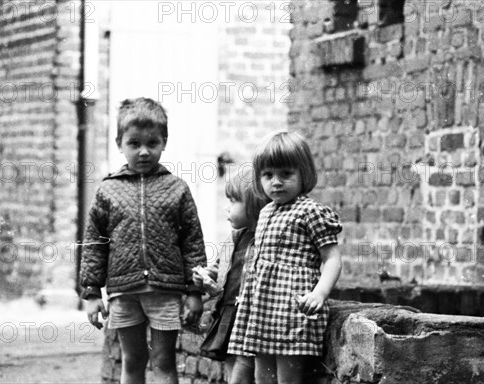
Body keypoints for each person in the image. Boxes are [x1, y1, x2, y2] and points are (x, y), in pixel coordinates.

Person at [80, 98, 206, 384]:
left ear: (164, 141)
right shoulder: (108, 190)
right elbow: (93, 245)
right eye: (134, 143)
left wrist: (195, 293)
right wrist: (90, 293)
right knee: (133, 360)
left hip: (165, 289)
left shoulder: (177, 189)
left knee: (163, 361)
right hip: (124, 291)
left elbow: (193, 243)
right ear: (119, 143)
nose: (144, 151)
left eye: (153, 143)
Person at [227, 131, 343, 384]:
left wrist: (319, 293)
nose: (276, 182)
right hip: (262, 306)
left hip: (292, 307)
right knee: (262, 377)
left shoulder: (311, 211)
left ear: (304, 174)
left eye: (286, 174)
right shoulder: (267, 211)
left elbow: (332, 258)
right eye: (268, 175)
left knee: (288, 378)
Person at [193, 166, 270, 384]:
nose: (227, 208)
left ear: (255, 205)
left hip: (250, 316)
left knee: (242, 375)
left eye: (234, 201)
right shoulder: (234, 239)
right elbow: (221, 271)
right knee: (230, 371)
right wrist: (205, 277)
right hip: (228, 313)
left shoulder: (266, 241)